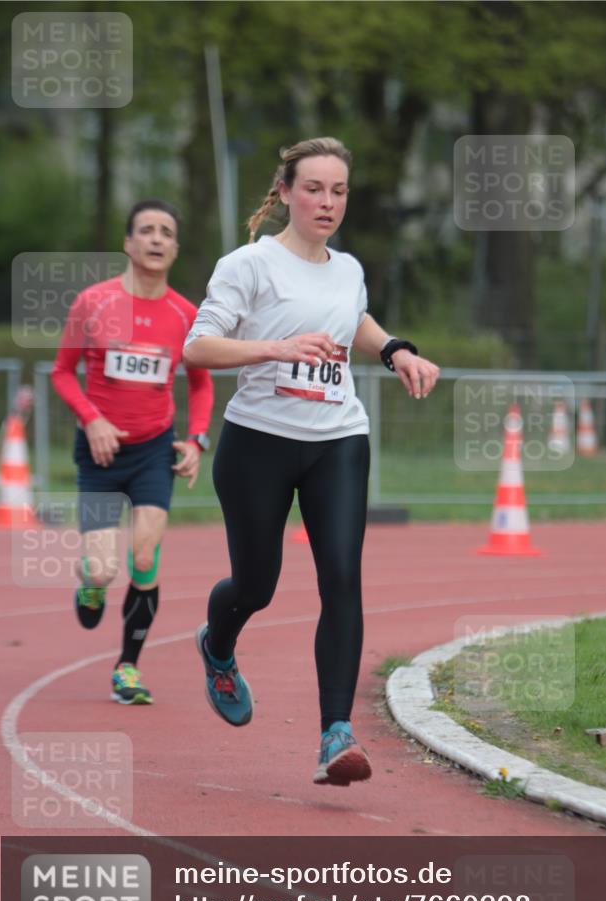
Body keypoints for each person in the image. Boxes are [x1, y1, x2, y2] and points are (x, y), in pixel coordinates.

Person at [183, 138, 439, 785]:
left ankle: (335, 736)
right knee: (257, 585)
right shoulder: (249, 265)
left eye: (338, 191)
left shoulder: (348, 269)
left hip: (338, 439)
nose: (327, 202)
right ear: (286, 192)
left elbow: (355, 320)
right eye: (314, 189)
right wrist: (275, 347)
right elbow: (198, 348)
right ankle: (217, 645)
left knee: (342, 579)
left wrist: (395, 351)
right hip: (257, 442)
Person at [51, 199, 214, 705]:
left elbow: (202, 384)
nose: (157, 238)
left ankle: (127, 668)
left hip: (152, 453)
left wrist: (196, 439)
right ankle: (91, 585)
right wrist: (92, 419)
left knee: (144, 556)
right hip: (99, 455)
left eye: (166, 231)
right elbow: (61, 372)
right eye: (146, 230)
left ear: (175, 248)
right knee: (102, 568)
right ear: (128, 243)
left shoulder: (186, 314)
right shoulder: (93, 303)